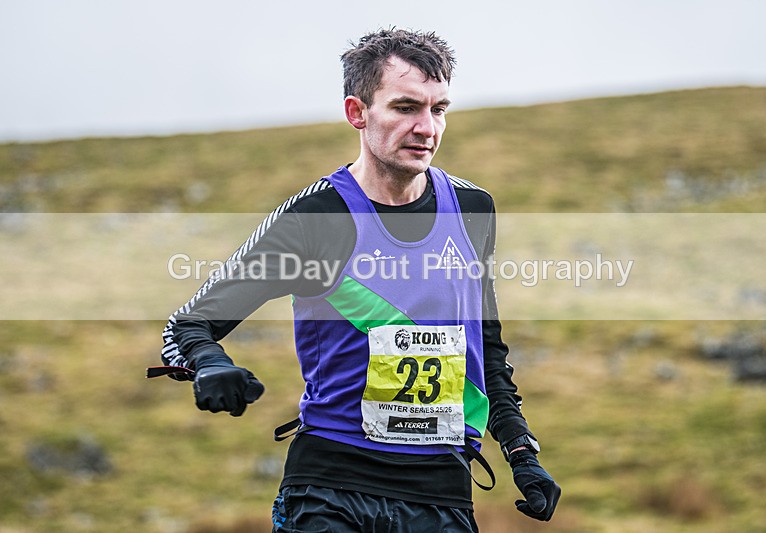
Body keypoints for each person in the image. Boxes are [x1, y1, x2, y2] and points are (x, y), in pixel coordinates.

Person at [157, 27, 560, 532]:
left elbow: (487, 350)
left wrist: (521, 452)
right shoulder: (316, 217)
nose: (426, 128)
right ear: (357, 112)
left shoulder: (473, 210)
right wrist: (211, 364)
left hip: (441, 494)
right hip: (331, 489)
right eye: (405, 107)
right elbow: (188, 324)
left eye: (438, 110)